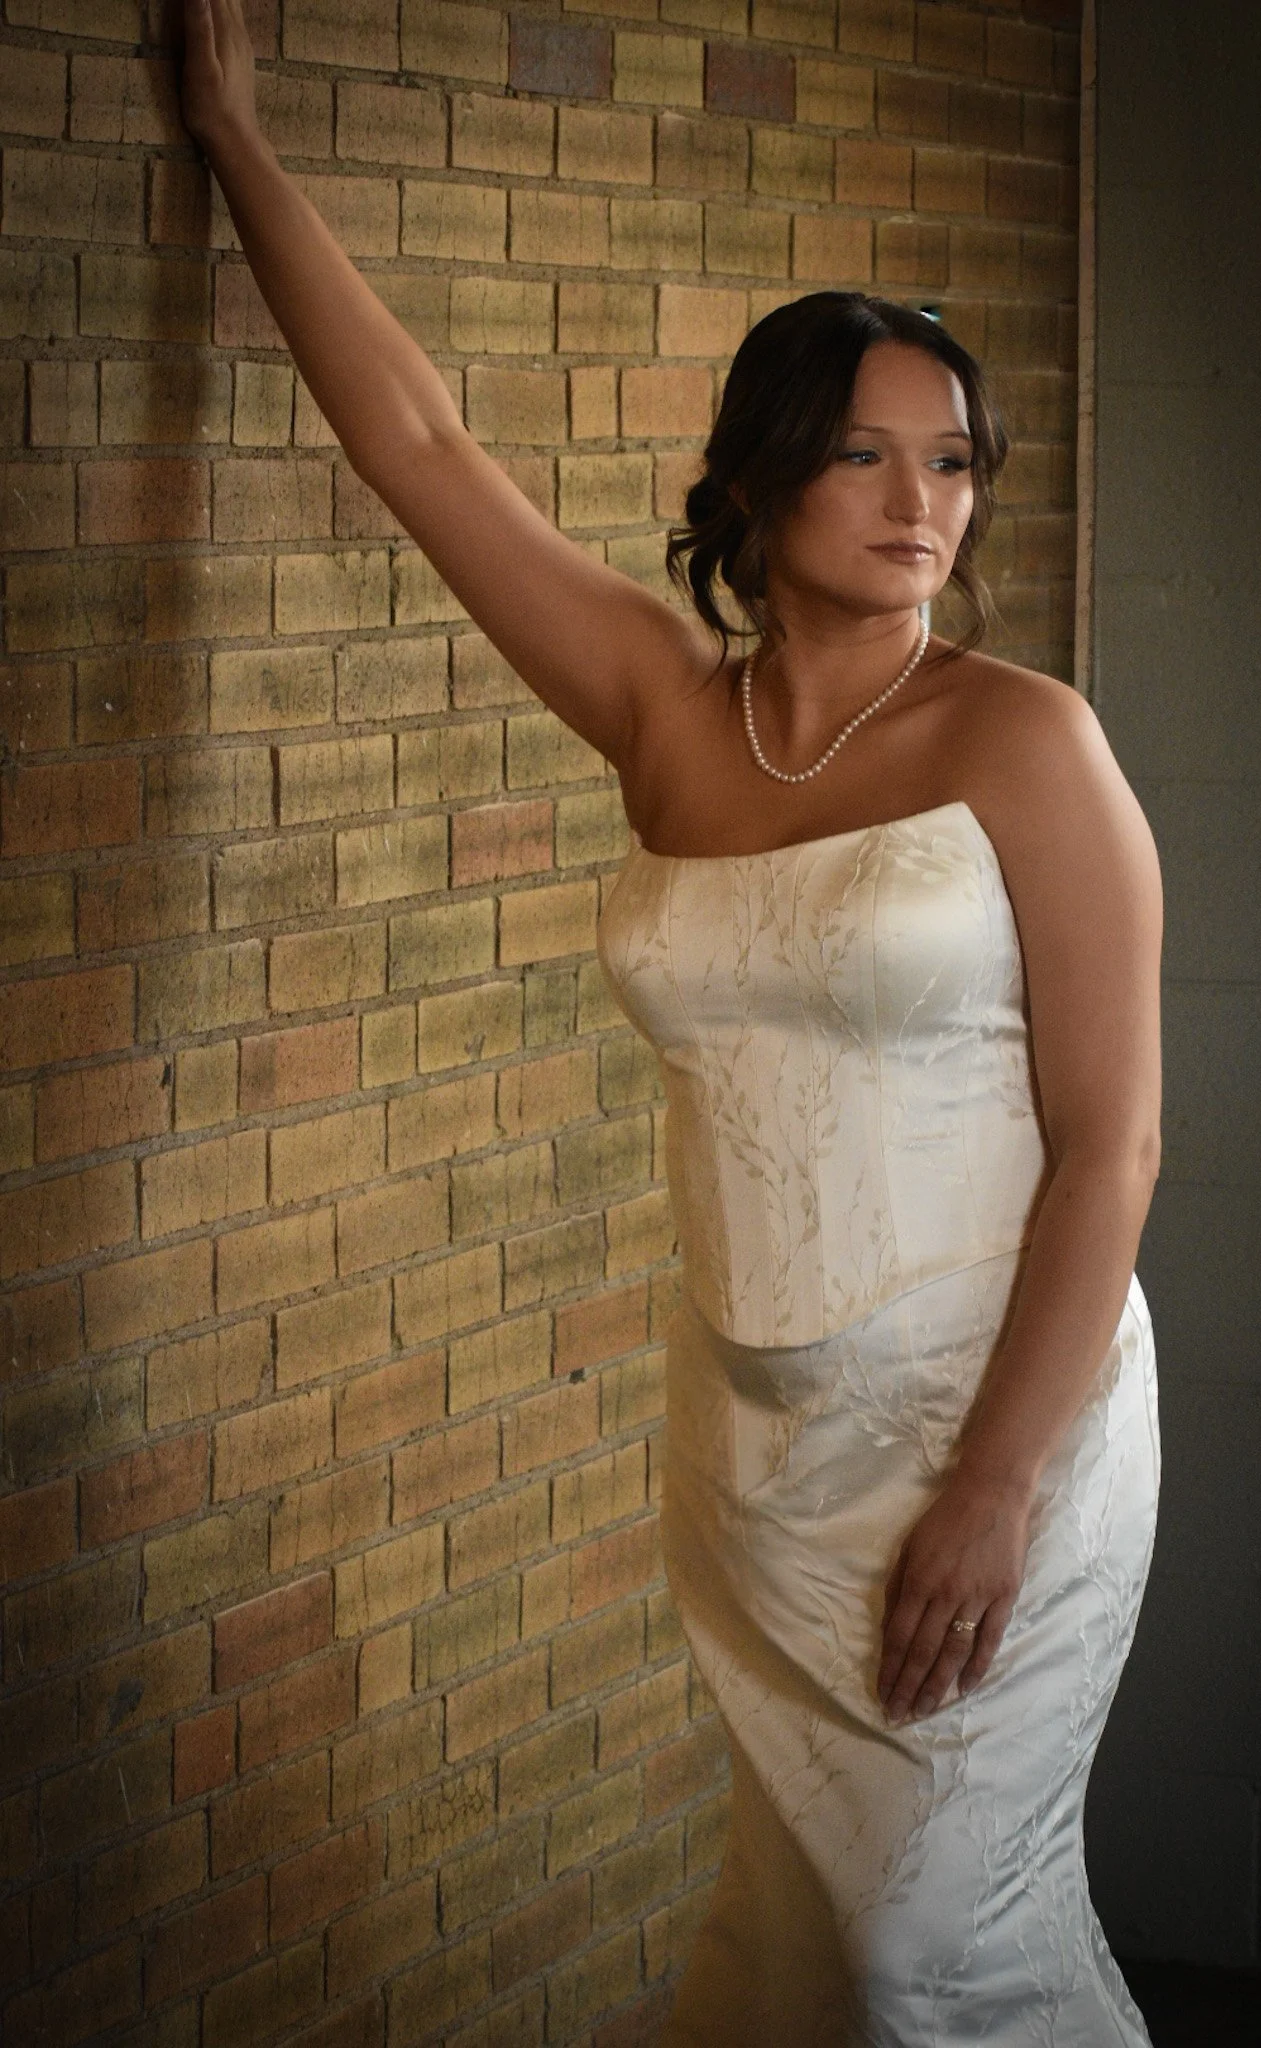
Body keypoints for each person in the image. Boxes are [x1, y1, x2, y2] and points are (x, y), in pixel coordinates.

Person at [181, 3, 1164, 2042]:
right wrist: (241, 146)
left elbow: (1116, 1146)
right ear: (756, 471)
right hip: (755, 1449)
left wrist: (994, 1482)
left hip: (1004, 1431)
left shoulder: (1025, 746)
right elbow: (422, 448)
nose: (923, 504)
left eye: (956, 463)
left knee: (926, 1950)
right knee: (812, 1941)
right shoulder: (664, 712)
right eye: (868, 453)